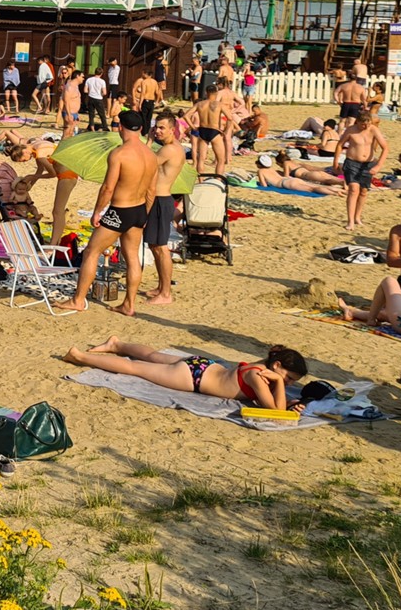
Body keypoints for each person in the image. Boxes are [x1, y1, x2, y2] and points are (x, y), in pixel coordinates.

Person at [58, 111, 156, 314]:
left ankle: (78, 300)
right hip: (139, 210)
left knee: (91, 252)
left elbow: (107, 188)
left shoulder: (119, 153)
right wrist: (145, 214)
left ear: (120, 127)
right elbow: (152, 191)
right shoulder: (151, 155)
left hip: (120, 210)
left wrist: (97, 212)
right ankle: (129, 304)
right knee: (132, 257)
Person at [63, 338, 307, 409]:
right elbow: (274, 411)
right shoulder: (261, 377)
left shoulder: (260, 365)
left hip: (204, 365)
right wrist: (277, 383)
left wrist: (290, 400)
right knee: (135, 368)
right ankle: (80, 357)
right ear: (277, 367)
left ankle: (116, 345)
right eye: (288, 378)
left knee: (150, 356)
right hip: (193, 378)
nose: (287, 383)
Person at [141, 112, 186, 307]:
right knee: (154, 244)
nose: (157, 131)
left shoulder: (170, 150)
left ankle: (166, 293)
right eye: (156, 127)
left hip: (161, 199)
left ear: (172, 129)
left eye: (161, 128)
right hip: (159, 199)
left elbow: (144, 162)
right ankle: (161, 287)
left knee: (161, 247)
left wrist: (149, 141)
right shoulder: (167, 148)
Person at [334, 108, 388, 231]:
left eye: (368, 123)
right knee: (353, 189)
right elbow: (340, 145)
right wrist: (335, 162)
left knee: (363, 191)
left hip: (367, 164)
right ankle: (350, 220)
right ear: (357, 122)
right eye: (363, 124)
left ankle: (357, 217)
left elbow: (385, 148)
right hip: (352, 162)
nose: (366, 126)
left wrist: (378, 165)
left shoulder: (374, 130)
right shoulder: (351, 130)